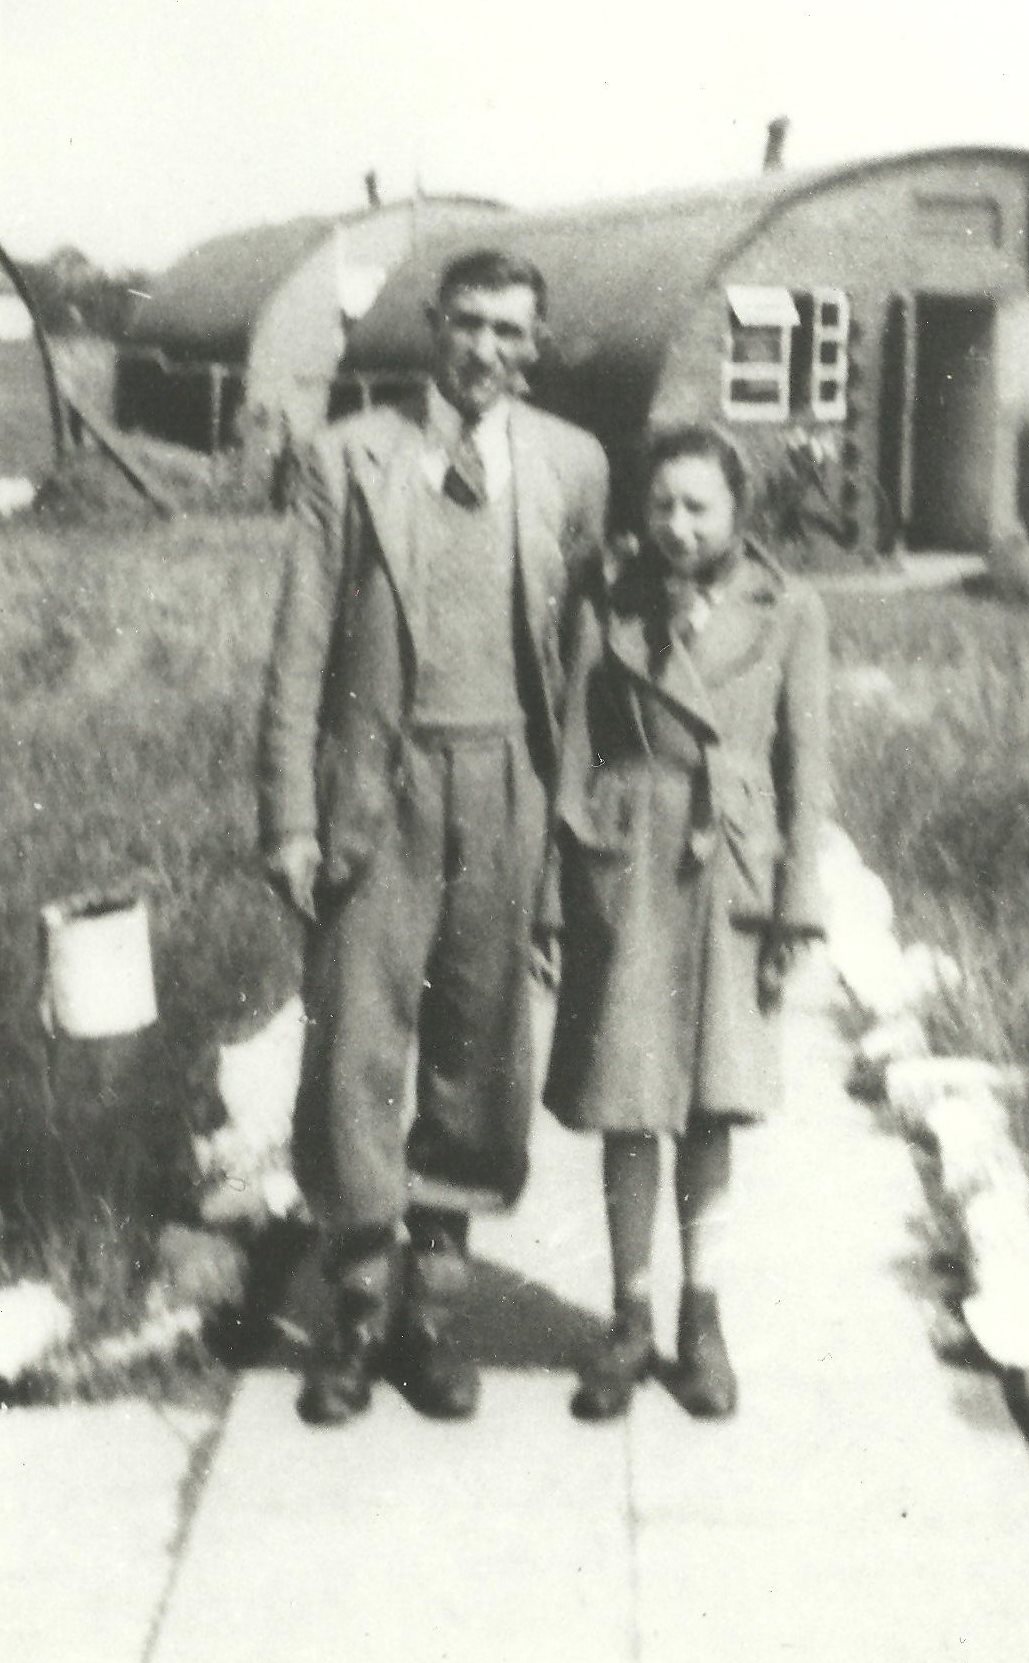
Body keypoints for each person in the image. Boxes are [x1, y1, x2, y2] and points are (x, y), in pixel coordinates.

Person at [259, 249, 609, 1425]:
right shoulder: (349, 456)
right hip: (378, 786)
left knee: (478, 1052)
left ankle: (433, 1320)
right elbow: (299, 651)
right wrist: (290, 818)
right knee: (355, 1049)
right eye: (468, 324)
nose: (487, 351)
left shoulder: (572, 463)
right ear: (430, 325)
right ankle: (356, 1316)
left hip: (507, 783)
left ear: (536, 343)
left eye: (511, 331)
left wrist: (569, 831)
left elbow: (581, 663)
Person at [542, 423, 828, 1420]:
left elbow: (808, 767)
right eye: (661, 503)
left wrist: (797, 905)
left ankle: (701, 1320)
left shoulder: (789, 608)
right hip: (627, 864)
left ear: (739, 511)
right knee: (628, 1101)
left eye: (699, 506)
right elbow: (574, 745)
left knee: (712, 1103)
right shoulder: (610, 600)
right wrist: (555, 892)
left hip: (728, 867)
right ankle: (628, 1319)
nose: (677, 524)